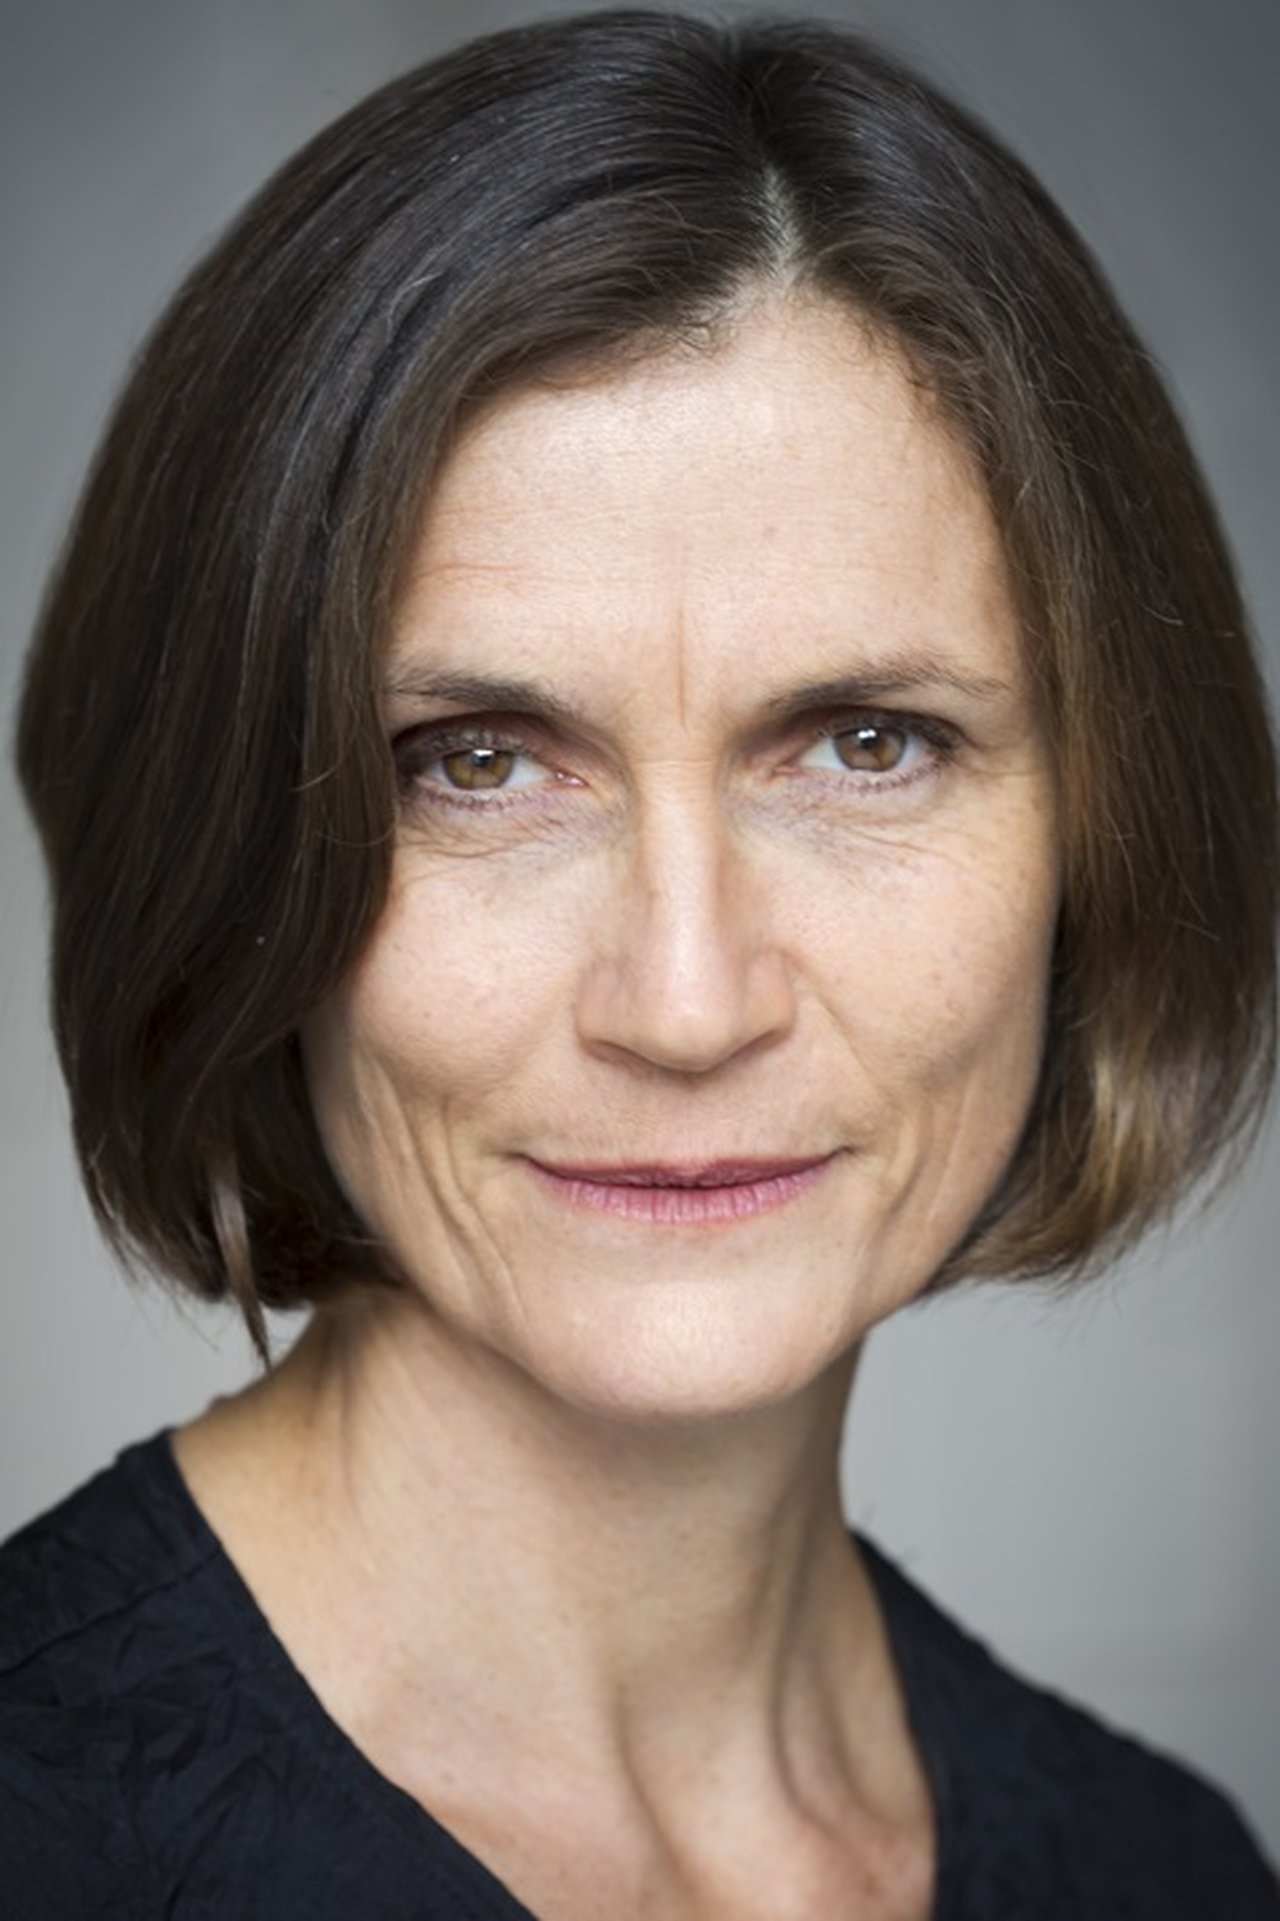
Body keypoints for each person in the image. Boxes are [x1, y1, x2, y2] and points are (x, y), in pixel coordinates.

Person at [2, 11, 1276, 1916]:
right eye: (479, 762)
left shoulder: (1165, 1876)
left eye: (866, 743)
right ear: (224, 849)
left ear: (1107, 830)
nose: (685, 1003)